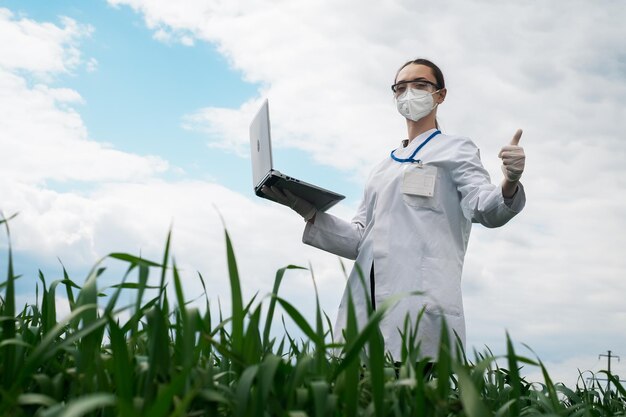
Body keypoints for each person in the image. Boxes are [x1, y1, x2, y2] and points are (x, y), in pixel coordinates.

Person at [262, 58, 526, 361]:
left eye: (421, 85)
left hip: (420, 301)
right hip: (368, 304)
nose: (409, 93)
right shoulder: (382, 169)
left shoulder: (456, 149)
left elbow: (483, 208)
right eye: (401, 87)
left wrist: (509, 181)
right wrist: (308, 211)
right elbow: (360, 241)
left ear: (440, 94)